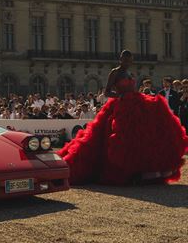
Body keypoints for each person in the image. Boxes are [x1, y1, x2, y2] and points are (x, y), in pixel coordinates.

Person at [57, 50, 188, 185]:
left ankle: (146, 170)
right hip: (121, 105)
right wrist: (119, 96)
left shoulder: (129, 73)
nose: (127, 62)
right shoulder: (115, 72)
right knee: (121, 137)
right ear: (121, 59)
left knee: (148, 129)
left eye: (129, 60)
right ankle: (130, 171)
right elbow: (107, 91)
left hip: (134, 103)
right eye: (125, 59)